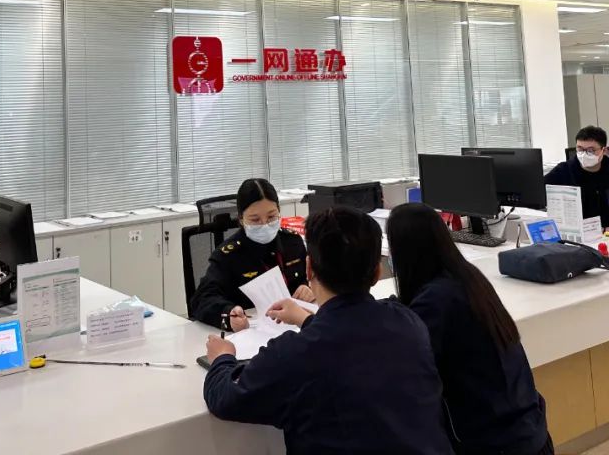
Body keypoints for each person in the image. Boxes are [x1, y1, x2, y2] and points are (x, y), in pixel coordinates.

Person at [203, 207, 452, 455]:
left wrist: (222, 358)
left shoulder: (293, 354)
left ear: (309, 269)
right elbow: (349, 343)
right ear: (377, 272)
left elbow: (226, 399)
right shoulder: (409, 322)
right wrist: (308, 321)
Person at [384, 203, 552, 455]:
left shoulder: (435, 302)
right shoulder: (468, 278)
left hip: (496, 441)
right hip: (528, 429)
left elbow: (410, 367)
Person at [189, 179, 313, 331]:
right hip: (251, 330)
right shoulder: (229, 255)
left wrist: (308, 288)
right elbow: (201, 300)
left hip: (295, 326)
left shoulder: (293, 242)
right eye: (255, 220)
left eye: (271, 217)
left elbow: (309, 278)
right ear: (241, 219)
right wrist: (228, 315)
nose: (264, 224)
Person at [543, 126, 609, 227]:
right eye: (580, 149)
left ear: (604, 150)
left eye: (590, 150)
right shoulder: (563, 171)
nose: (584, 154)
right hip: (577, 231)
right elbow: (539, 197)